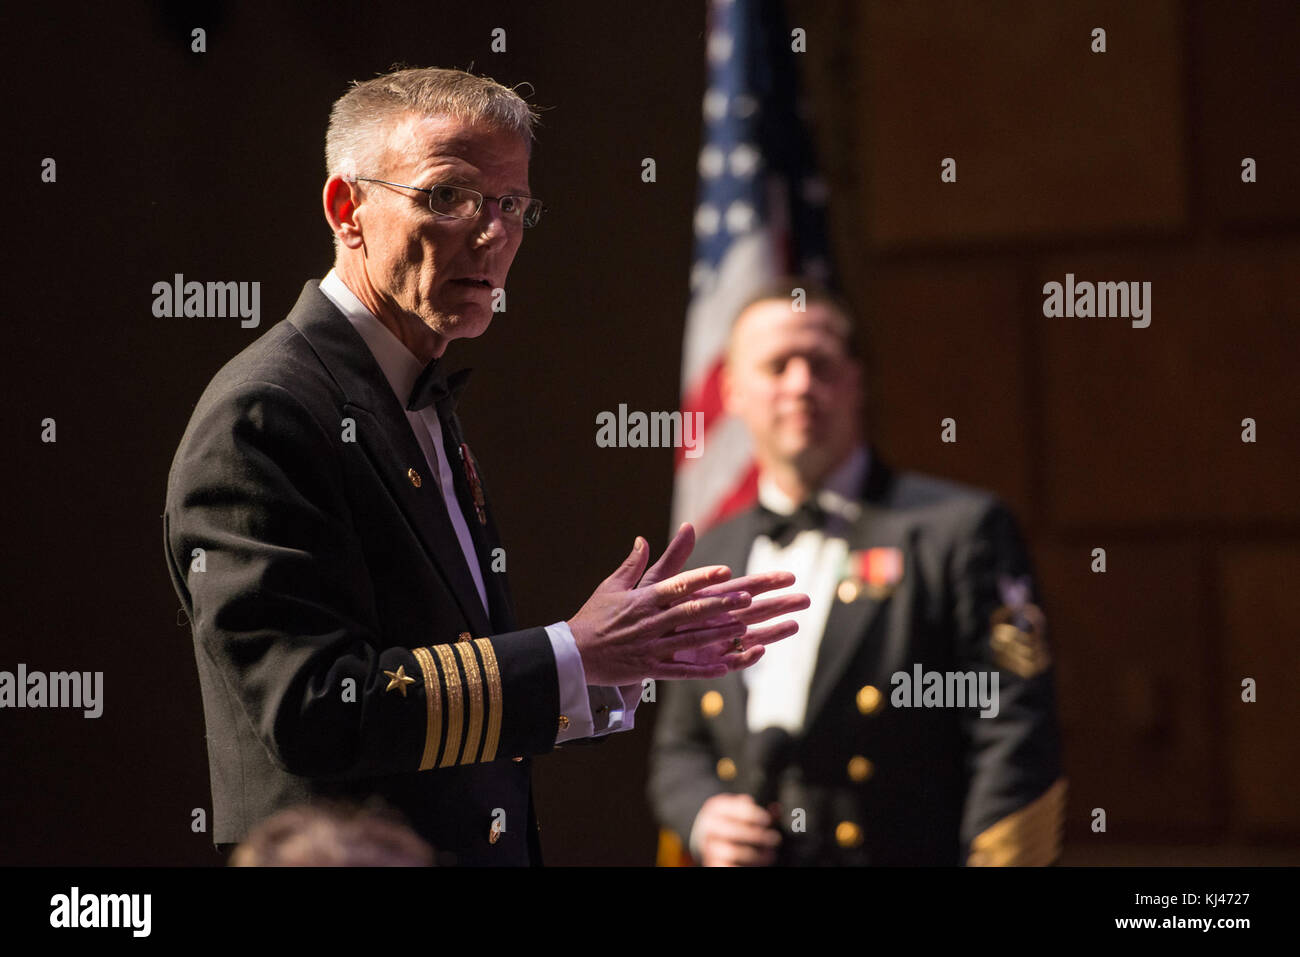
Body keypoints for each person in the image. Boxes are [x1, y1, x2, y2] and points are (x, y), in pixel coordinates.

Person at [163, 67, 806, 866]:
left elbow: (460, 695)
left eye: (511, 205)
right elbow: (313, 706)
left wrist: (609, 661)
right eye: (447, 197)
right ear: (346, 208)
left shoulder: (416, 390)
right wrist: (572, 652)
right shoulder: (265, 413)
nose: (491, 232)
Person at [648, 280, 1065, 866]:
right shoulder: (710, 550)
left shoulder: (958, 530)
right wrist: (702, 815)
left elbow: (1012, 732)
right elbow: (680, 744)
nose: (800, 385)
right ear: (733, 391)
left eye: (820, 363)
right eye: (776, 366)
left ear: (855, 380)